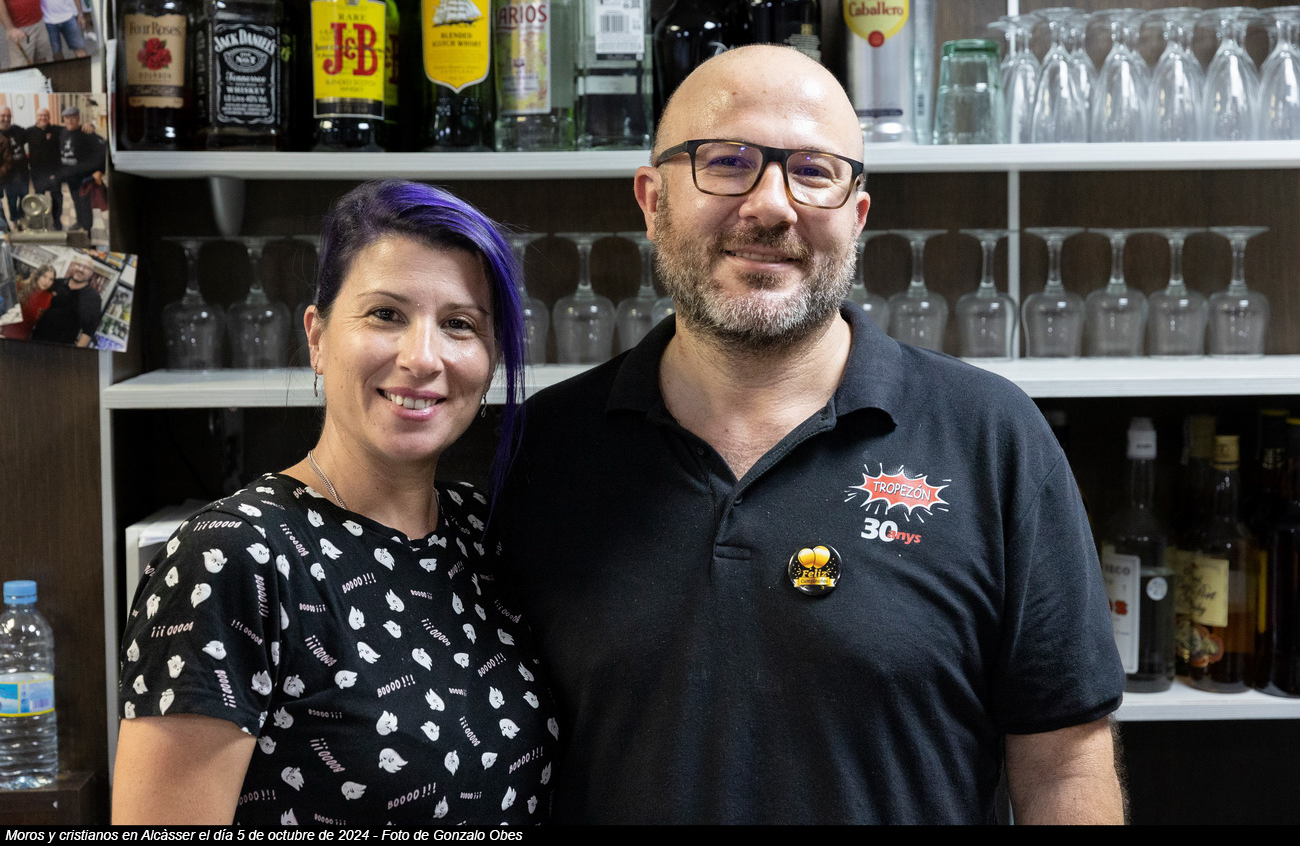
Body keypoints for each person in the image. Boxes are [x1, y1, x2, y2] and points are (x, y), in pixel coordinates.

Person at [490, 45, 1127, 825]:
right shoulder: (542, 447)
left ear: (857, 215)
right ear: (652, 201)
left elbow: (1064, 766)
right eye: (727, 162)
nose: (772, 205)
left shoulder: (993, 439)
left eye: (814, 170)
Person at [113, 180, 559, 825]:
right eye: (386, 315)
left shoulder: (481, 533)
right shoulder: (233, 558)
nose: (422, 357)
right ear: (317, 338)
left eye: (459, 325)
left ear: (491, 361)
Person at [30, 255, 98, 346]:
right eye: (78, 265)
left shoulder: (93, 298)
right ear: (72, 266)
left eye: (86, 268)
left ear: (91, 273)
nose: (80, 269)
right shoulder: (57, 283)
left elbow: (88, 331)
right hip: (36, 338)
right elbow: (37, 298)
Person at [0, 0, 54, 67]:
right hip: (21, 29)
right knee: (21, 68)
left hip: (39, 22)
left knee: (42, 58)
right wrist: (10, 29)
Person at [58, 104, 103, 233]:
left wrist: (100, 170)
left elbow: (101, 150)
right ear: (64, 119)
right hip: (70, 178)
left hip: (84, 178)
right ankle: (79, 221)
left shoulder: (86, 133)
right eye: (67, 118)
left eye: (73, 117)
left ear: (78, 118)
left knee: (85, 204)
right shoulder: (62, 132)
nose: (70, 120)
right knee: (76, 202)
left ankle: (87, 230)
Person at [1, 263, 54, 340]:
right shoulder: (20, 286)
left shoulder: (48, 297)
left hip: (22, 338)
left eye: (51, 279)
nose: (47, 281)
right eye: (44, 276)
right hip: (4, 332)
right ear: (38, 275)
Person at [27, 107, 61, 226]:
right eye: (40, 115)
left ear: (49, 117)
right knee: (39, 198)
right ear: (36, 117)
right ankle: (41, 220)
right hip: (38, 174)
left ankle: (56, 220)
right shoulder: (29, 131)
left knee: (57, 197)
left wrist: (87, 126)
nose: (43, 117)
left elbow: (71, 128)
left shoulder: (56, 130)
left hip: (54, 173)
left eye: (45, 115)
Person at [0, 106, 29, 228]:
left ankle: (21, 217)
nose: (6, 118)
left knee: (24, 197)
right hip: (9, 176)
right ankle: (14, 220)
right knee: (11, 200)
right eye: (3, 116)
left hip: (23, 173)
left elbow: (32, 133)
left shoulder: (17, 130)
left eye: (8, 116)